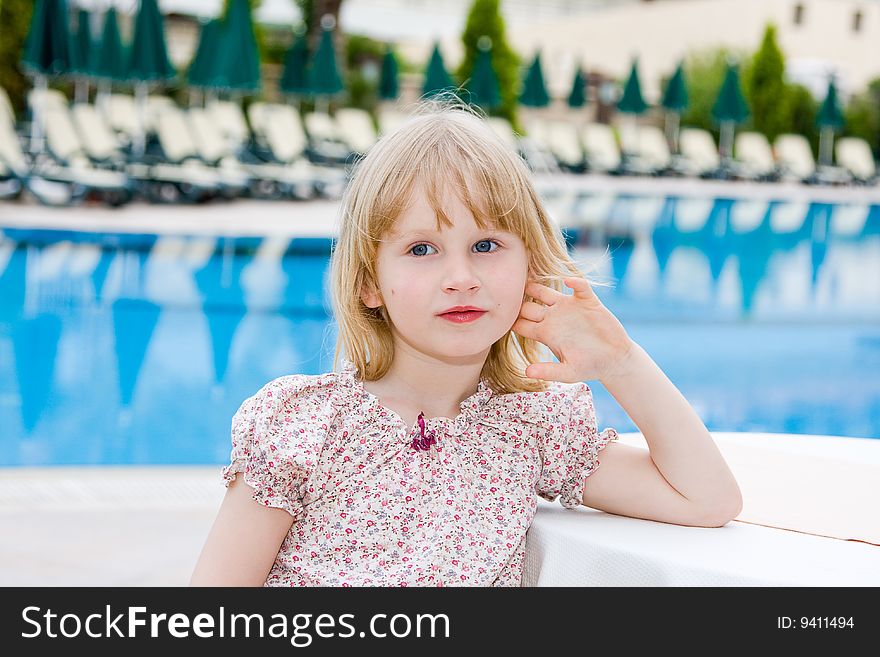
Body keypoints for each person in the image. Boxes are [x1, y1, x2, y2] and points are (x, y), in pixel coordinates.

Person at [190, 96, 741, 587]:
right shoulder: (303, 427)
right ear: (368, 283)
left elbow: (707, 499)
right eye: (422, 250)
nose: (461, 277)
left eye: (485, 245)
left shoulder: (530, 427)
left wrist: (621, 362)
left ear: (530, 263)